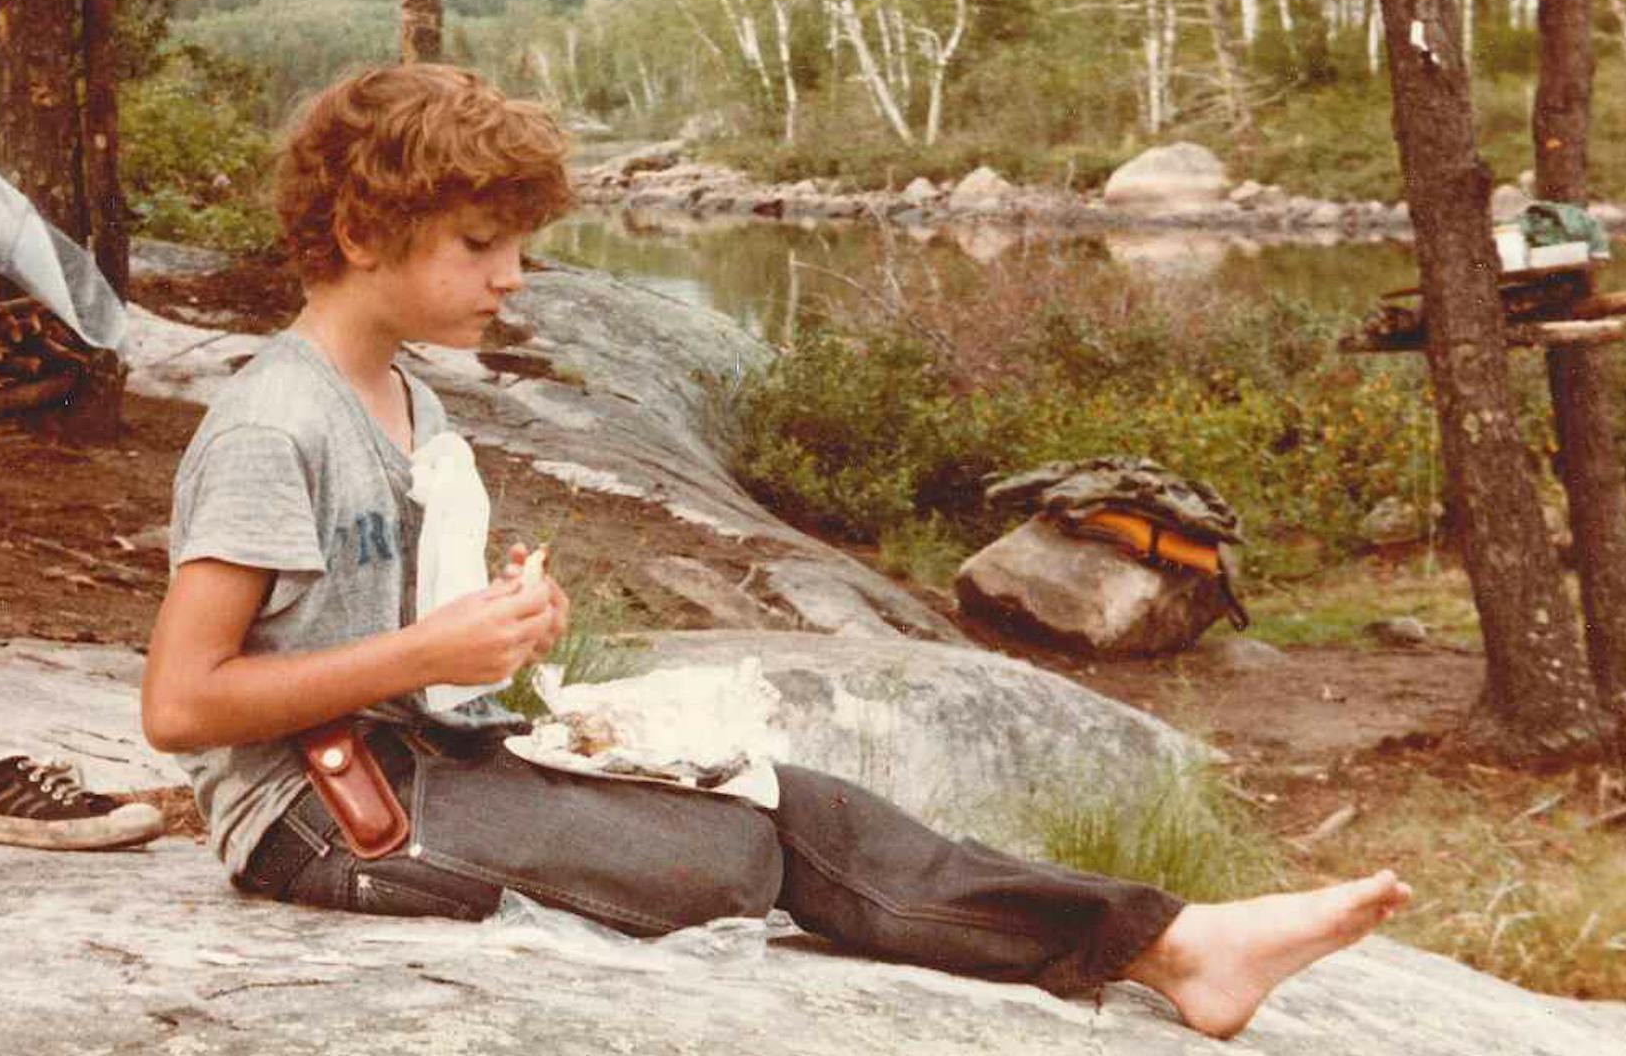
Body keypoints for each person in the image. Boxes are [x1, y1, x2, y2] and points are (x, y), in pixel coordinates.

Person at [140, 63, 1409, 1040]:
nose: (513, 276)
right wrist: (429, 649)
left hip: (420, 758)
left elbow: (389, 634)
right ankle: (1167, 949)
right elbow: (182, 703)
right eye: (480, 245)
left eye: (517, 244)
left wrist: (493, 625)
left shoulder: (403, 393)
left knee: (794, 798)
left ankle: (1175, 942)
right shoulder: (274, 420)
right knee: (736, 853)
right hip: (322, 814)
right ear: (363, 233)